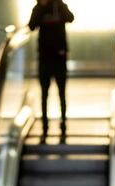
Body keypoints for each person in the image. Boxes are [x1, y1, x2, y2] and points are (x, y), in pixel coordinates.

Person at [28, 0, 74, 142]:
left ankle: (63, 123)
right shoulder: (38, 8)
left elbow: (71, 18)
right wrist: (41, 8)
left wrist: (59, 5)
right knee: (44, 94)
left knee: (61, 94)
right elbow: (31, 25)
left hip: (59, 58)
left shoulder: (60, 6)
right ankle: (45, 125)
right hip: (45, 58)